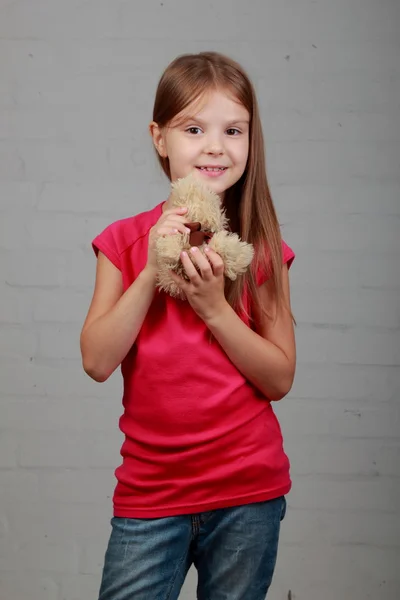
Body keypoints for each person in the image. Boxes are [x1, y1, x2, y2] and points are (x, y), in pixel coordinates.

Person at [80, 51, 296, 600]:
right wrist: (153, 270)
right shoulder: (125, 242)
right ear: (160, 138)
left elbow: (279, 378)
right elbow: (98, 361)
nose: (216, 146)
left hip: (248, 491)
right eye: (194, 128)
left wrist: (215, 309)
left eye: (234, 130)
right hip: (151, 493)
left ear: (252, 139)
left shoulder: (257, 249)